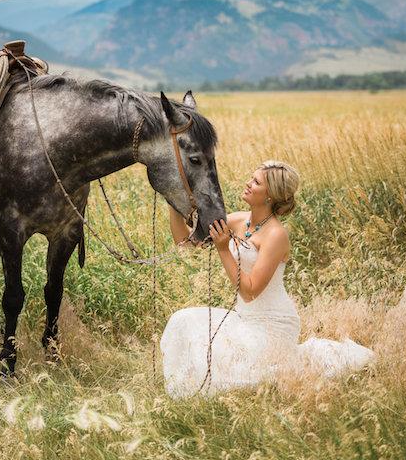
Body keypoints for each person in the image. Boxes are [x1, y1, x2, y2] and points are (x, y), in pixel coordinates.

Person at [160, 160, 374, 398]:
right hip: (244, 319)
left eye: (256, 182)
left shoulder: (276, 235)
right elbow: (186, 242)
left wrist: (223, 250)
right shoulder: (239, 221)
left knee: (243, 372)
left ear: (270, 195)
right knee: (183, 320)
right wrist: (174, 205)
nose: (248, 183)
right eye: (251, 178)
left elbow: (250, 291)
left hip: (273, 325)